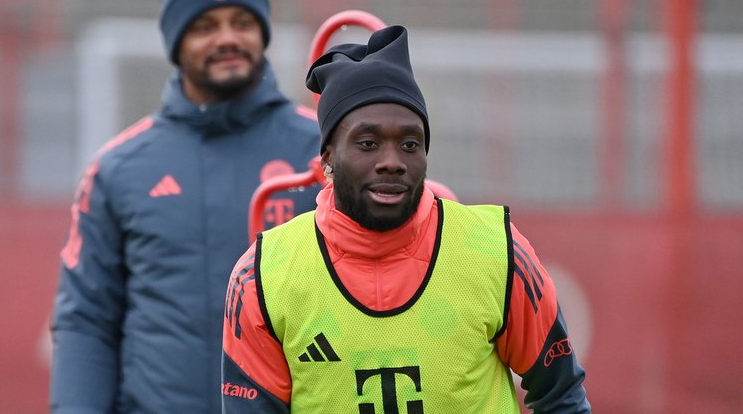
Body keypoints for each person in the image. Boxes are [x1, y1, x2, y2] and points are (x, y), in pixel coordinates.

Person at [221, 25, 590, 413]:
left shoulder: (495, 249)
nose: (392, 162)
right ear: (328, 157)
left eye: (410, 144)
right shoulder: (262, 275)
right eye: (368, 143)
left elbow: (562, 396)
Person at [49, 0, 321, 412]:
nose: (227, 38)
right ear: (175, 43)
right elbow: (86, 319)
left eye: (243, 22)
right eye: (204, 27)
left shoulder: (324, 152)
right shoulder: (119, 168)